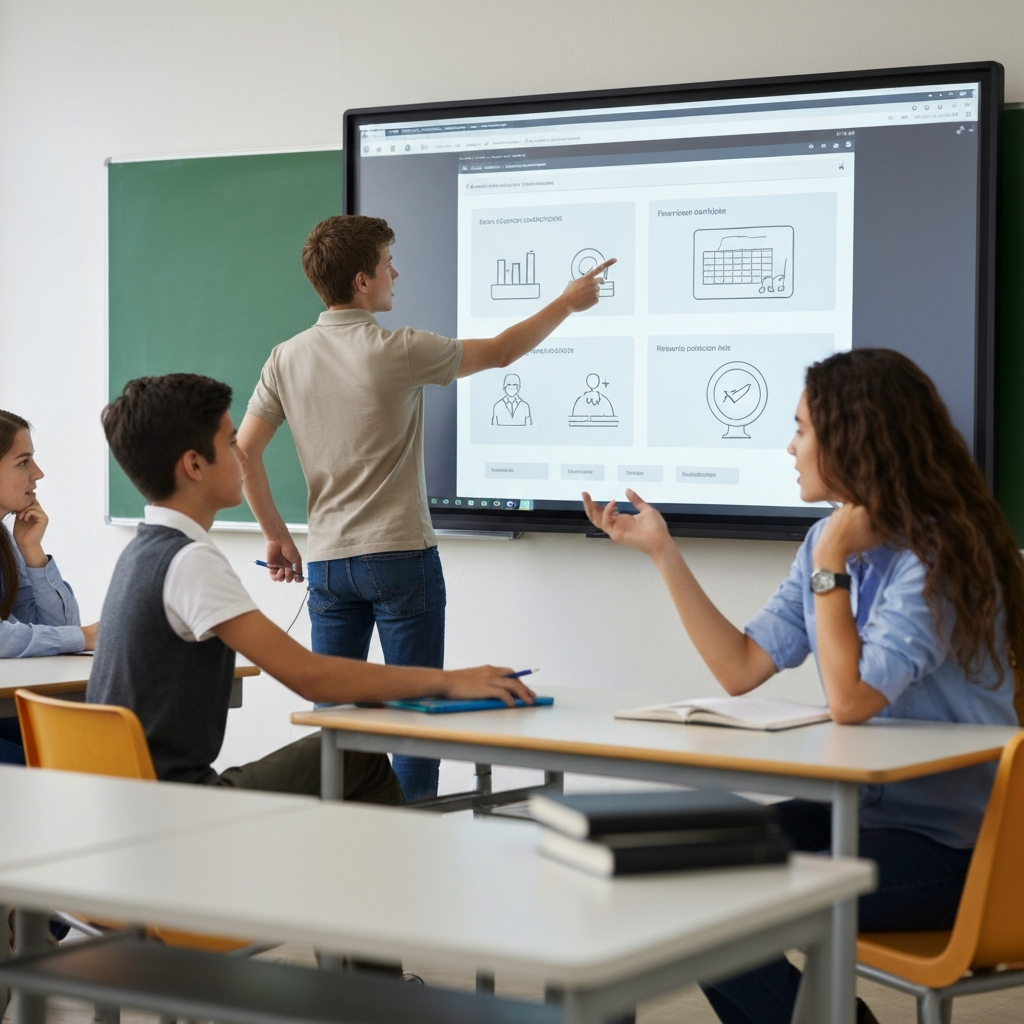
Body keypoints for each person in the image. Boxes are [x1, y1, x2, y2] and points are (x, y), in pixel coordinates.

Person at [582, 349, 1023, 1024]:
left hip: (960, 852)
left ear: (853, 437)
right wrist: (663, 551)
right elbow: (742, 667)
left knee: (719, 908)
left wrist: (830, 563)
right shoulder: (829, 539)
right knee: (670, 873)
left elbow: (850, 702)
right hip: (866, 812)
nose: (789, 446)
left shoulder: (937, 556)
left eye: (801, 429)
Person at [238, 214, 613, 800]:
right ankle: (414, 851)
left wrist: (274, 534)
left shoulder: (284, 357)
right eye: (388, 262)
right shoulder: (398, 350)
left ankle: (338, 851)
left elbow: (243, 454)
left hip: (330, 565)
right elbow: (503, 352)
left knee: (336, 724)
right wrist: (567, 301)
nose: (396, 273)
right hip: (399, 559)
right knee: (415, 721)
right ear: (363, 280)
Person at [90, 373, 534, 798]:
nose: (244, 456)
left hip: (126, 801)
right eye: (230, 443)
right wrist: (449, 681)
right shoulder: (191, 562)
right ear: (193, 465)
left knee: (347, 750)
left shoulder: (142, 551)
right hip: (176, 807)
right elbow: (311, 677)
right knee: (358, 756)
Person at [0, 410, 99, 764]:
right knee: (52, 763)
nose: (37, 474)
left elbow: (57, 627)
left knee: (76, 748)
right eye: (23, 462)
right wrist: (85, 638)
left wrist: (31, 551)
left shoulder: (5, 538)